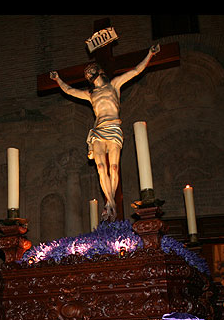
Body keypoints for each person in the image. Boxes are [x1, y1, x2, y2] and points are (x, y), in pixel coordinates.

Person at [49, 44, 160, 220]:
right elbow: (70, 90)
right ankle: (109, 202)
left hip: (114, 128)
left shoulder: (114, 85)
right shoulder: (90, 94)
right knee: (101, 167)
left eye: (91, 70)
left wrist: (150, 54)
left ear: (99, 71)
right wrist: (58, 80)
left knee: (114, 167)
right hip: (99, 131)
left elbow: (136, 71)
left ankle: (112, 202)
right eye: (87, 74)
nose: (89, 74)